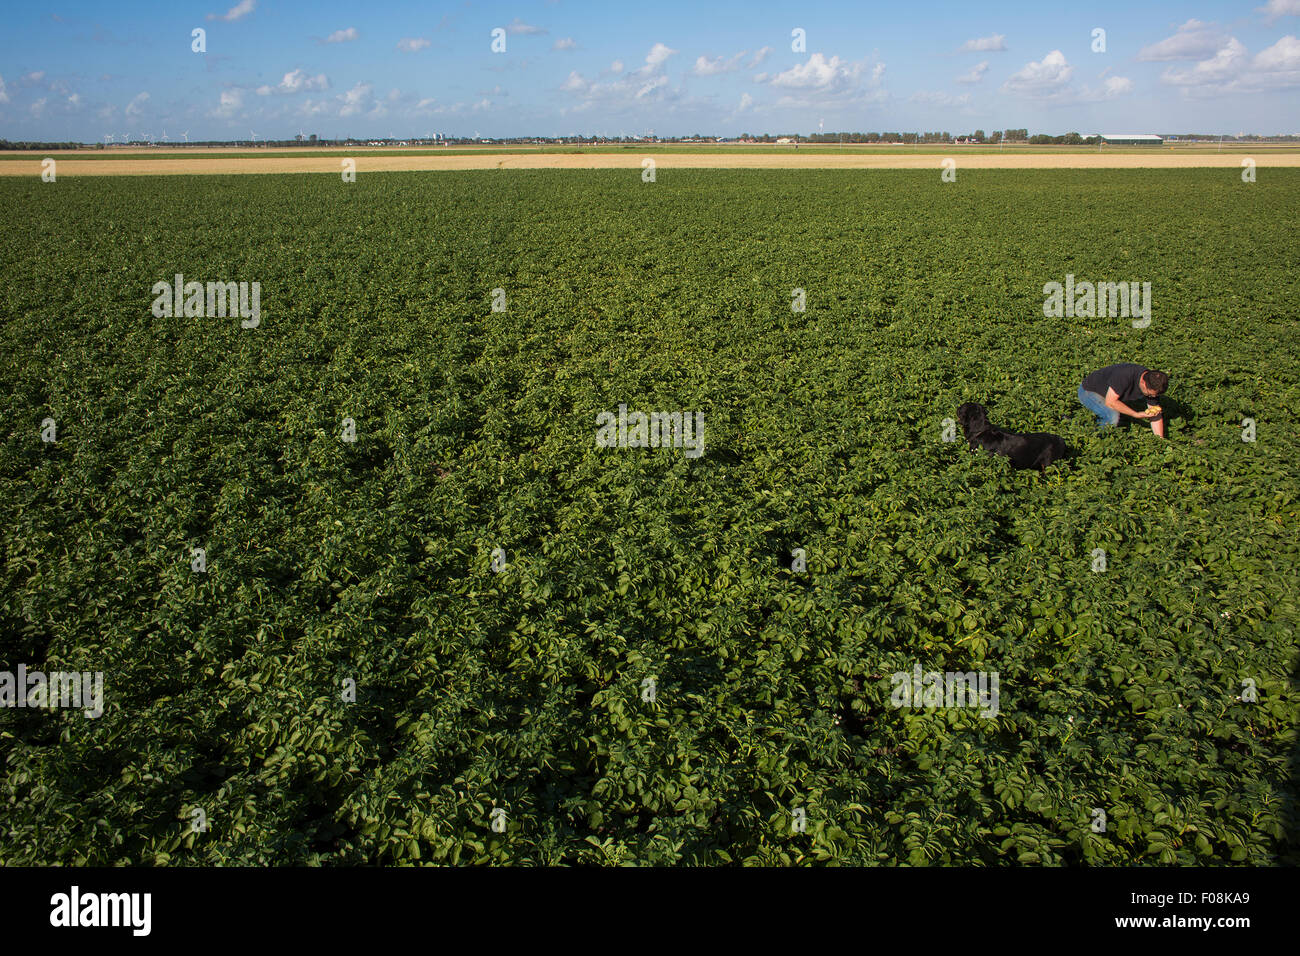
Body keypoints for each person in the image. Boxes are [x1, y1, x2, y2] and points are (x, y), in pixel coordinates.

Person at [1078, 363, 1168, 438]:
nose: (1153, 397)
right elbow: (1110, 402)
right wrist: (1135, 414)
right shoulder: (1124, 375)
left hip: (1111, 395)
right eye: (1150, 394)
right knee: (1112, 416)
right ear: (1143, 383)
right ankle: (1094, 437)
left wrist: (1160, 440)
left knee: (1117, 412)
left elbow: (1155, 415)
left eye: (1156, 395)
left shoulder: (1153, 383)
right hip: (1089, 391)